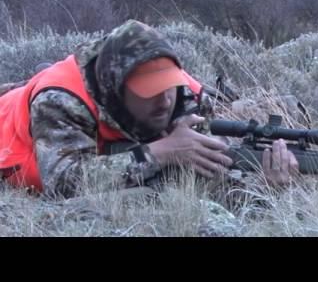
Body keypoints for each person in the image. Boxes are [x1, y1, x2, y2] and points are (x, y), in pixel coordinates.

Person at [0, 20, 299, 198]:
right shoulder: (59, 101)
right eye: (150, 91)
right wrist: (161, 152)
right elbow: (64, 184)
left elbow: (210, 175)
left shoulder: (187, 96)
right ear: (116, 94)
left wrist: (264, 184)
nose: (165, 100)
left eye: (168, 84)